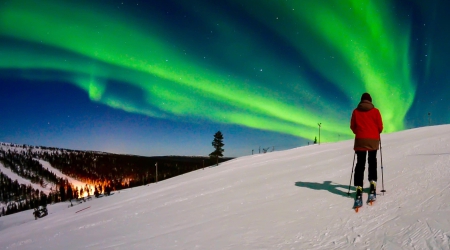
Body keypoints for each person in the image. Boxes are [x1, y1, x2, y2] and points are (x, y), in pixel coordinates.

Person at [350, 93, 383, 202]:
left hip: (360, 140)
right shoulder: (376, 111)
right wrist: (375, 132)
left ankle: (359, 187)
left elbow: (352, 126)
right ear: (370, 101)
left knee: (360, 163)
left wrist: (358, 132)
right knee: (372, 161)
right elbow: (380, 127)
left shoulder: (356, 111)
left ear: (361, 101)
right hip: (373, 140)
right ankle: (373, 183)